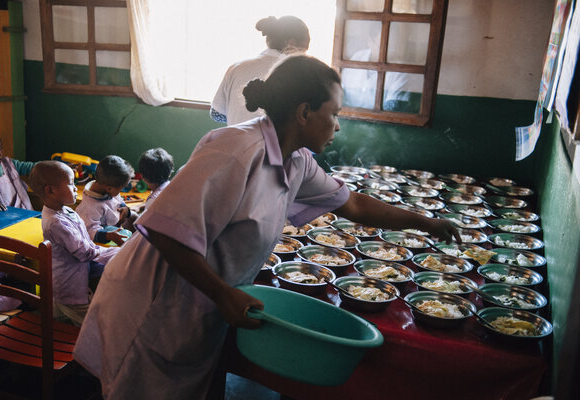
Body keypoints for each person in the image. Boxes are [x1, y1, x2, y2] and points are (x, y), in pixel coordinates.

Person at [73, 55, 459, 399]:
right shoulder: (235, 150)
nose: (338, 126)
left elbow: (354, 202)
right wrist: (223, 294)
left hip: (196, 304)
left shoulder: (297, 162)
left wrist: (425, 222)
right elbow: (161, 228)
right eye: (335, 113)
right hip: (153, 301)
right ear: (305, 112)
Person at [28, 161, 120, 326]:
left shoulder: (66, 210)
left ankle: (56, 318)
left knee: (59, 313)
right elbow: (84, 252)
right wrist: (112, 252)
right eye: (71, 184)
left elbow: (85, 241)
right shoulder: (56, 223)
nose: (76, 187)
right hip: (69, 286)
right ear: (50, 190)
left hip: (72, 277)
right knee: (93, 325)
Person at [210, 15, 310, 125]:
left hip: (235, 139)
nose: (304, 55)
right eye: (304, 49)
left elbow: (216, 114)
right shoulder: (301, 74)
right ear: (291, 43)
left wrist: (240, 118)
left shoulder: (237, 67)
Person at [75, 155, 138, 245]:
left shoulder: (109, 190)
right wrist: (109, 236)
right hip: (100, 239)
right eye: (120, 189)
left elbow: (118, 200)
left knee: (134, 216)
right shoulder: (89, 208)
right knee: (124, 244)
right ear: (109, 188)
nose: (120, 192)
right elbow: (90, 231)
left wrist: (124, 208)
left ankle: (139, 242)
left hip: (114, 224)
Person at [0, 127, 36, 211]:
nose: (0, 153)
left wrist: (51, 165)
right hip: (5, 219)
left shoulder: (9, 164)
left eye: (1, 148)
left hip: (26, 212)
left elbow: (32, 167)